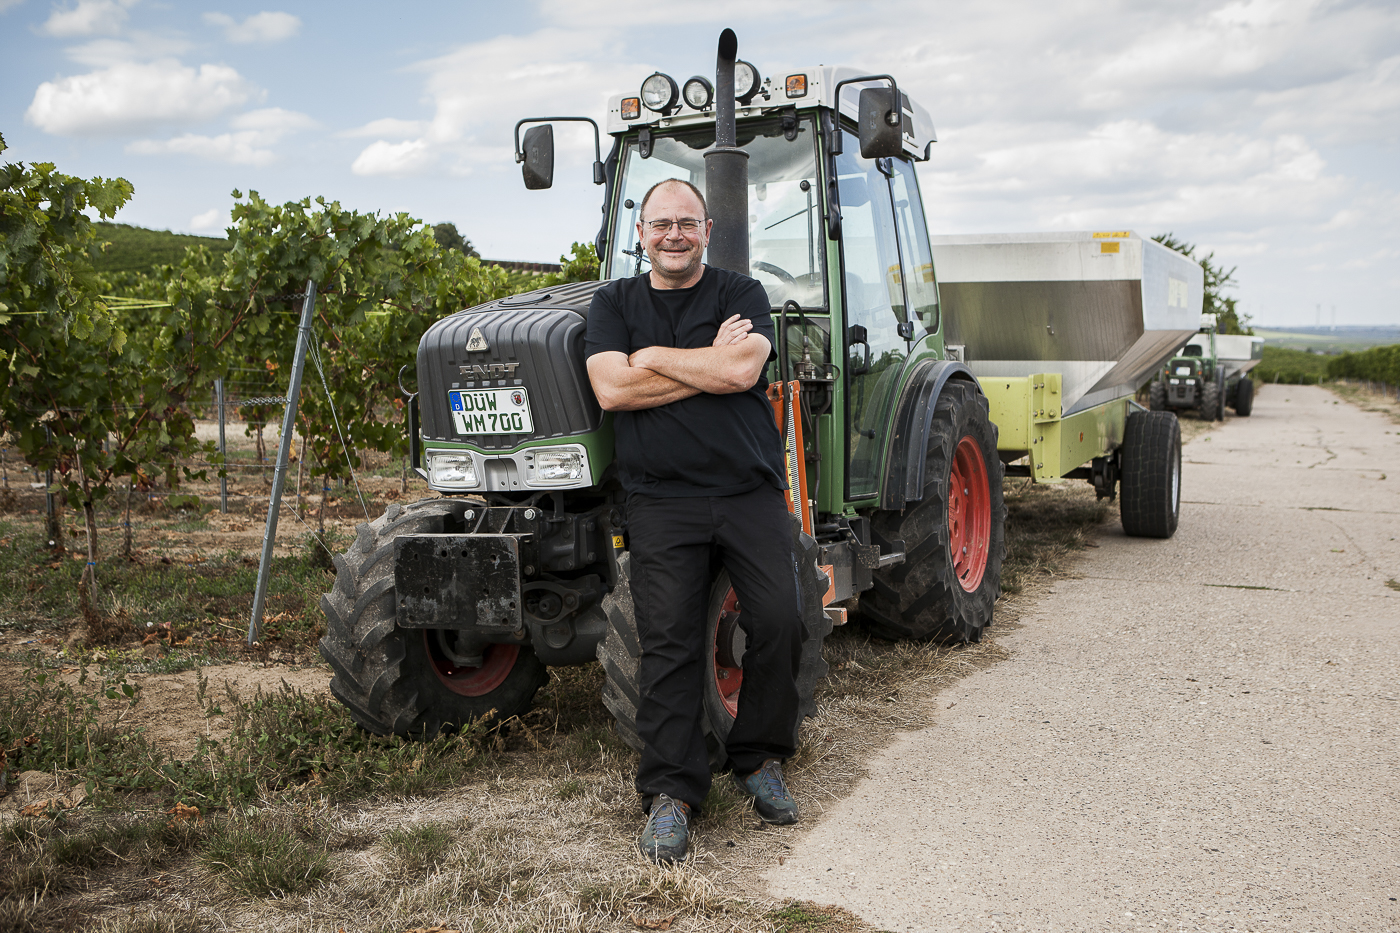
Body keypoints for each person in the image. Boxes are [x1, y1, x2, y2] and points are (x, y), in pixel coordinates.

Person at [585, 178, 805, 863]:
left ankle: (759, 756)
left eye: (686, 222)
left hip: (747, 490)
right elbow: (611, 387)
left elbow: (743, 373)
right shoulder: (612, 302)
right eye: (661, 223)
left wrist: (650, 358)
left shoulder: (741, 294)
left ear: (708, 228)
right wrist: (705, 362)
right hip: (660, 497)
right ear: (641, 232)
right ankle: (671, 795)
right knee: (670, 642)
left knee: (780, 618)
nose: (673, 233)